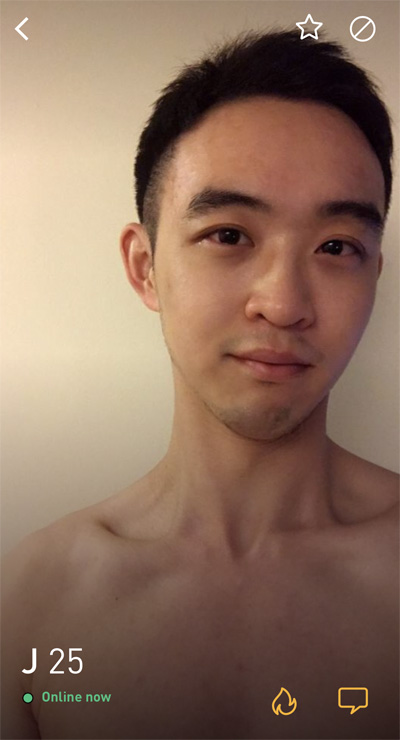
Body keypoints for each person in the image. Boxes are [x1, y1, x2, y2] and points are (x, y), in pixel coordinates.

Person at [2, 29, 399, 740]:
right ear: (145, 268)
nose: (283, 303)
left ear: (374, 274)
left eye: (337, 246)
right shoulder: (33, 597)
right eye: (229, 235)